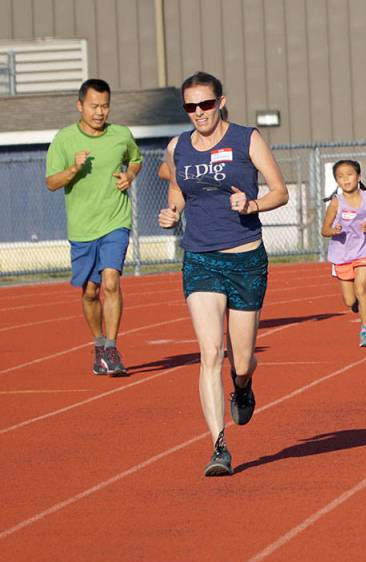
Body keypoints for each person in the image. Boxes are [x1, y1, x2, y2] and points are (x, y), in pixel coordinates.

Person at [157, 72, 289, 477]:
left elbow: (280, 190)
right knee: (210, 353)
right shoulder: (178, 146)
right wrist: (173, 211)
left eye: (206, 105)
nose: (199, 113)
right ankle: (218, 445)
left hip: (245, 259)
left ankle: (244, 385)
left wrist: (253, 205)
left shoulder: (246, 139)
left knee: (242, 359)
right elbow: (177, 186)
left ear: (221, 102)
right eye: (190, 107)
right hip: (200, 259)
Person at [45, 78, 142, 376]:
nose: (100, 112)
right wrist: (73, 169)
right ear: (80, 106)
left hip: (115, 220)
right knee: (90, 291)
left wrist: (131, 175)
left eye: (105, 106)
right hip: (82, 228)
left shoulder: (121, 135)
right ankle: (99, 344)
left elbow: (135, 159)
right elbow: (51, 183)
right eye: (94, 106)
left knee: (111, 281)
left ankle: (111, 348)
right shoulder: (64, 140)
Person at [320, 159, 366, 346]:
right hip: (342, 254)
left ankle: (365, 331)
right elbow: (324, 230)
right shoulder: (335, 203)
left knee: (361, 287)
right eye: (340, 176)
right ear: (337, 181)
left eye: (349, 174)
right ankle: (355, 304)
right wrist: (334, 230)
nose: (345, 179)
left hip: (364, 250)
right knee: (349, 300)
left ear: (359, 176)